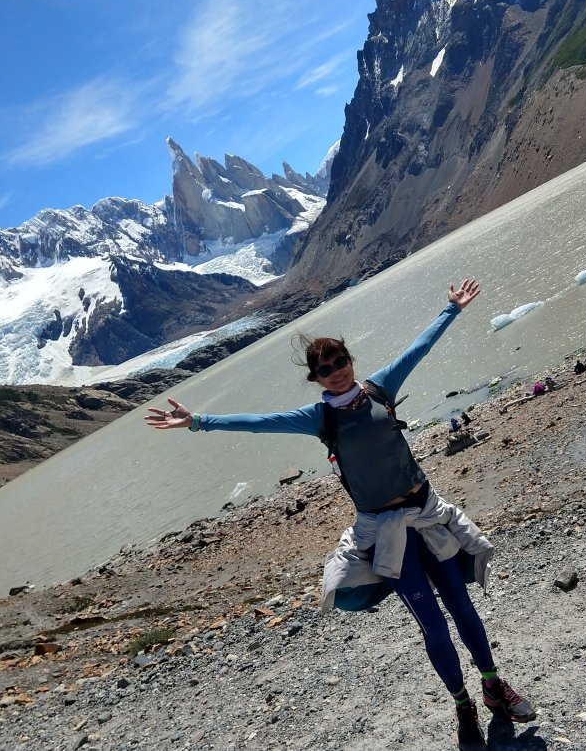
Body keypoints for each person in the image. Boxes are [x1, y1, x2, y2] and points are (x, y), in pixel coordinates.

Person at [144, 279, 535, 747]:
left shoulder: (380, 389)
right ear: (316, 378)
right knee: (433, 626)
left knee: (463, 608)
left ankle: (493, 686)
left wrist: (451, 309)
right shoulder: (319, 418)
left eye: (339, 362)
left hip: (426, 514)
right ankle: (462, 705)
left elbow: (418, 349)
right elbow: (259, 423)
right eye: (324, 369)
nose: (334, 372)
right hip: (387, 534)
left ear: (351, 361)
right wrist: (197, 422)